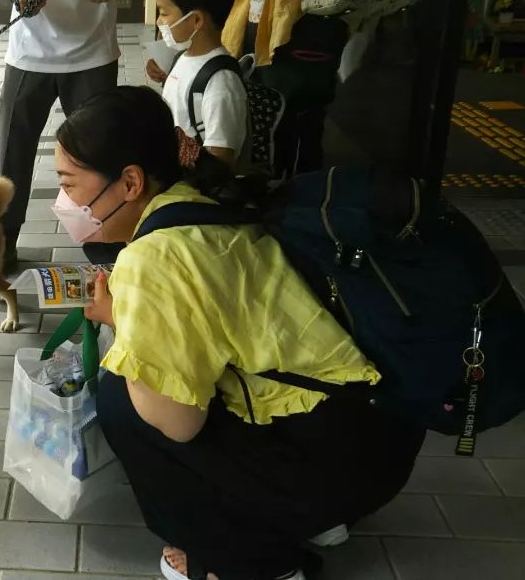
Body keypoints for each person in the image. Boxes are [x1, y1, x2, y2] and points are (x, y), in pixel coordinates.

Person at [52, 86, 424, 580]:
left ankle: (254, 562)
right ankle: (310, 519)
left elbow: (177, 422)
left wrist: (124, 326)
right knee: (158, 378)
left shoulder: (154, 256)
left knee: (125, 399)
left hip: (336, 459)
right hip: (375, 432)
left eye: (70, 184)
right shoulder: (203, 199)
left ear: (130, 182)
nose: (64, 202)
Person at [0, 0, 131, 273]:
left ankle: (108, 251)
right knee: (13, 154)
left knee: (100, 156)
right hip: (28, 51)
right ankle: (0, 245)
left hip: (93, 50)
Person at [146, 0, 247, 167]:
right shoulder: (183, 57)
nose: (159, 21)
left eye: (164, 13)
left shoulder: (221, 83)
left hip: (193, 187)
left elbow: (220, 160)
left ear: (196, 20)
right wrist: (165, 79)